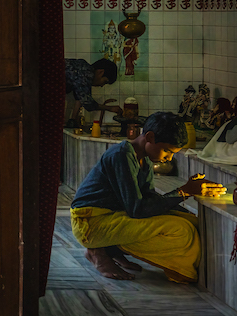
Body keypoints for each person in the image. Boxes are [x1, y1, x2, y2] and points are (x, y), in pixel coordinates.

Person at [69, 112, 225, 283]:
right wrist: (184, 192)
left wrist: (187, 197)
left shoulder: (144, 159)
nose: (169, 158)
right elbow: (138, 209)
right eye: (167, 151)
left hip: (113, 216)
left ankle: (112, 248)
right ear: (149, 137)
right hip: (90, 222)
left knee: (190, 220)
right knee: (181, 230)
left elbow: (149, 199)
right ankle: (99, 250)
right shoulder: (121, 155)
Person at [65, 57, 122, 126]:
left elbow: (80, 97)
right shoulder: (86, 74)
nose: (101, 85)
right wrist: (110, 108)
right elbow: (88, 104)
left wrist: (73, 119)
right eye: (105, 81)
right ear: (101, 72)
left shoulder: (83, 68)